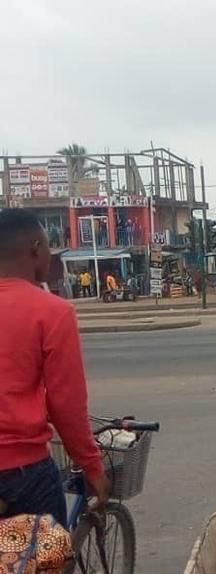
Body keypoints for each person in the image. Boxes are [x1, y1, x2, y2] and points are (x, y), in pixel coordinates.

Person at [0, 209, 109, 527]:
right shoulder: (52, 311)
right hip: (22, 474)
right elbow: (66, 404)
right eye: (49, 248)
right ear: (36, 249)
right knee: (45, 559)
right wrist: (91, 465)